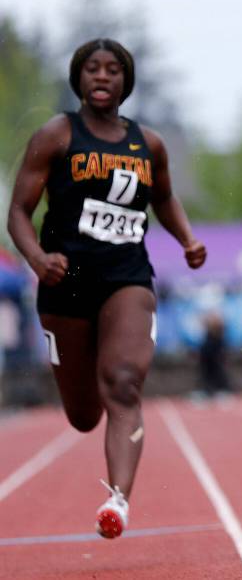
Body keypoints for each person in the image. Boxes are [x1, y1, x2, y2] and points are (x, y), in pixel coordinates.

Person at [6, 38, 206, 539]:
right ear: (78, 79)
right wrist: (36, 258)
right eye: (92, 69)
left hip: (127, 278)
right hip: (65, 282)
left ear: (126, 81)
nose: (102, 77)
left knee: (122, 382)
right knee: (81, 415)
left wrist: (186, 238)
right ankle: (87, 405)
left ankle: (118, 499)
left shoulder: (149, 144)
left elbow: (164, 197)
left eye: (113, 69)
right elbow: (18, 214)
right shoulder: (56, 136)